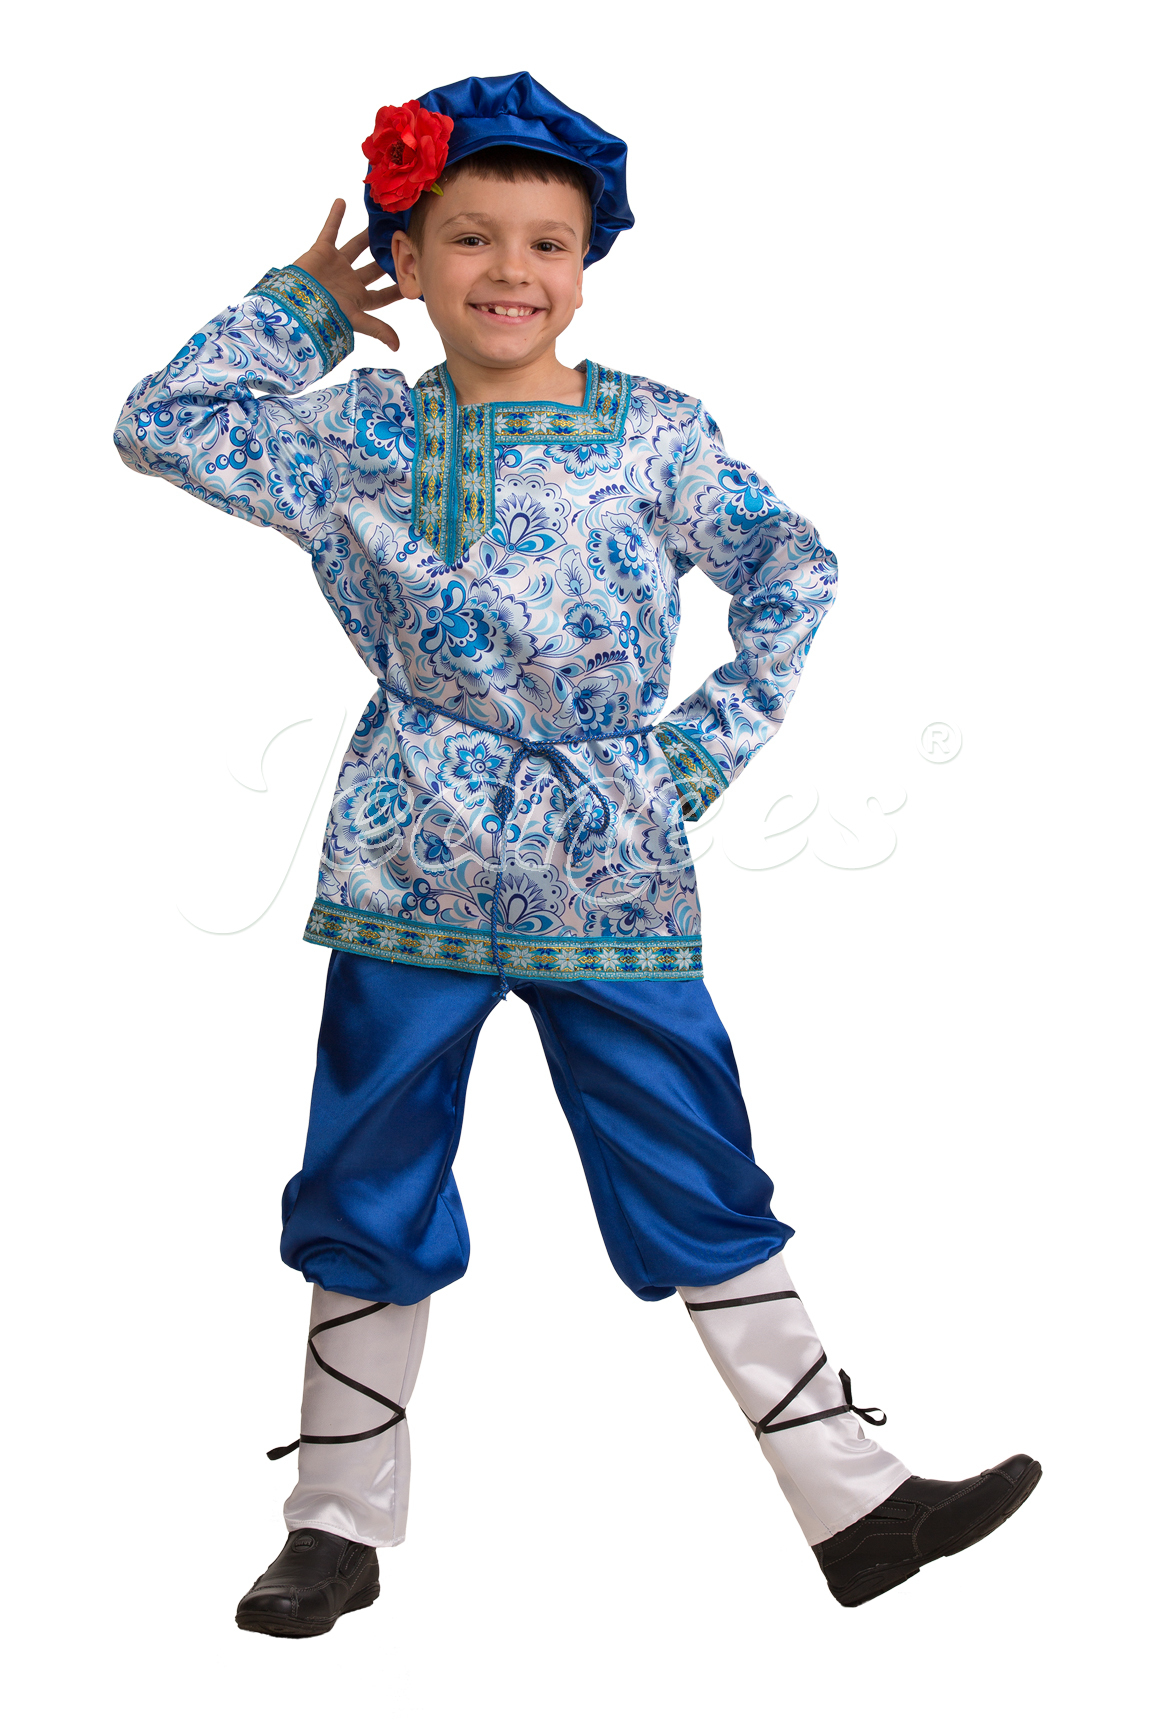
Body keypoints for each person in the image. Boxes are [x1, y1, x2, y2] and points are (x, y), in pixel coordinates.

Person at [115, 71, 1040, 1635]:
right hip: (410, 854)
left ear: (589, 262)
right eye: (469, 236)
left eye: (547, 243)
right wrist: (300, 309)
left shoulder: (656, 432)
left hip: (610, 864)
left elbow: (792, 566)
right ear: (411, 259)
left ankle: (854, 1501)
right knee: (368, 1163)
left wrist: (695, 754)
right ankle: (333, 1525)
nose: (510, 272)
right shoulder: (361, 438)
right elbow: (161, 426)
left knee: (694, 1149)